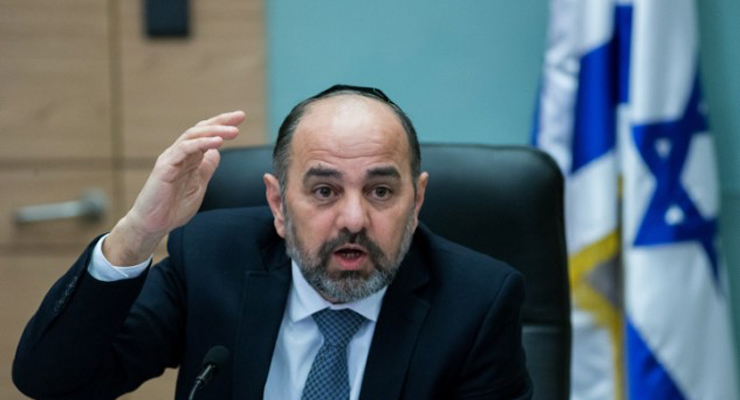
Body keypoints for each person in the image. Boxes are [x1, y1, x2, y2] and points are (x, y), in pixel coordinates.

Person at [13, 85, 532, 400]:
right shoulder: (212, 259)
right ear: (279, 204)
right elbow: (52, 381)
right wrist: (139, 232)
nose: (353, 218)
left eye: (380, 191)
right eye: (324, 190)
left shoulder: (476, 303)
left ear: (416, 203)